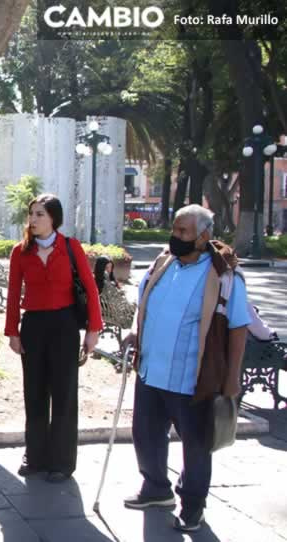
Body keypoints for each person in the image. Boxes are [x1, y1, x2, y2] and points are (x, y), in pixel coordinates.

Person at [121, 205, 249, 533]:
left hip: (192, 380)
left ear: (203, 236)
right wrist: (136, 332)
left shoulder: (223, 276)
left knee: (195, 445)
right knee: (145, 435)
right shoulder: (163, 264)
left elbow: (237, 327)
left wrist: (232, 378)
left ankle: (192, 506)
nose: (174, 237)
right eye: (174, 230)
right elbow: (146, 305)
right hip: (152, 372)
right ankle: (156, 489)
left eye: (183, 232)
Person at [4, 193, 102, 483]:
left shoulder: (71, 247)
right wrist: (12, 331)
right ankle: (34, 456)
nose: (33, 220)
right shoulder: (19, 252)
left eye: (39, 215)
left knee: (63, 395)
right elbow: (12, 294)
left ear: (53, 219)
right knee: (34, 393)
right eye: (31, 214)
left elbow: (90, 288)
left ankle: (61, 462)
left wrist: (93, 330)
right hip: (33, 325)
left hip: (64, 325)